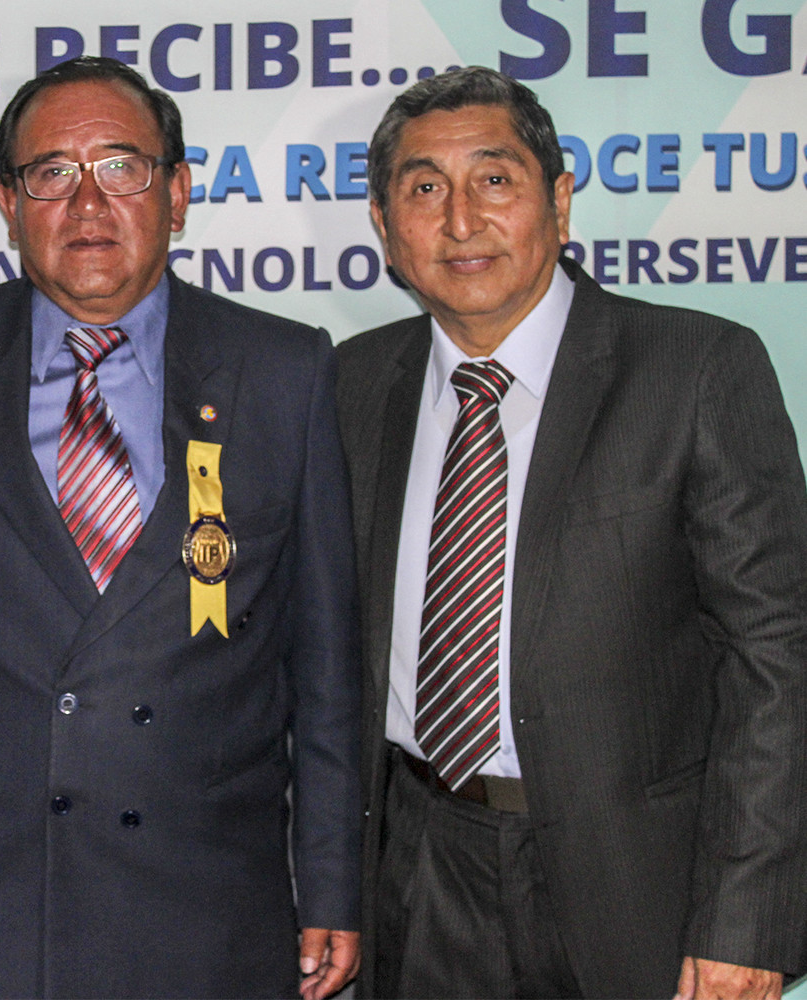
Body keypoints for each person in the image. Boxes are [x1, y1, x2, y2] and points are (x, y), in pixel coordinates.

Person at [0, 56, 360, 999]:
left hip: (201, 908)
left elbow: (325, 664)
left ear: (178, 192)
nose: (87, 203)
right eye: (52, 173)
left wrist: (330, 881)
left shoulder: (283, 370)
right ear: (8, 203)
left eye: (122, 168)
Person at [336, 66, 807, 999]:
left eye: (494, 179)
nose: (461, 220)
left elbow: (777, 658)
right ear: (386, 229)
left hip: (641, 885)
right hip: (417, 868)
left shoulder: (695, 369)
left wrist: (747, 918)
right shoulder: (349, 385)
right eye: (424, 189)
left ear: (558, 201)